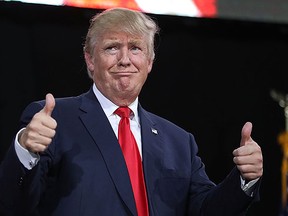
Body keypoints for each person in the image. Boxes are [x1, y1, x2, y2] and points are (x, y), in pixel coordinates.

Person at [0, 7, 263, 216]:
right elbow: (14, 204)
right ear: (90, 59)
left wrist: (244, 179)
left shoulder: (179, 142)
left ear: (149, 62)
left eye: (135, 48)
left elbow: (206, 210)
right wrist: (26, 150)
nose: (125, 59)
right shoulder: (54, 121)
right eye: (112, 47)